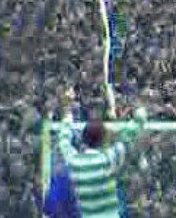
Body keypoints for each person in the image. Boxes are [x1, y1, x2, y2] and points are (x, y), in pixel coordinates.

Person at [56, 87, 148, 218]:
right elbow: (133, 129)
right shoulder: (108, 159)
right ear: (103, 139)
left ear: (83, 139)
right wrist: (138, 106)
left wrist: (67, 110)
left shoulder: (73, 161)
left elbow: (63, 139)